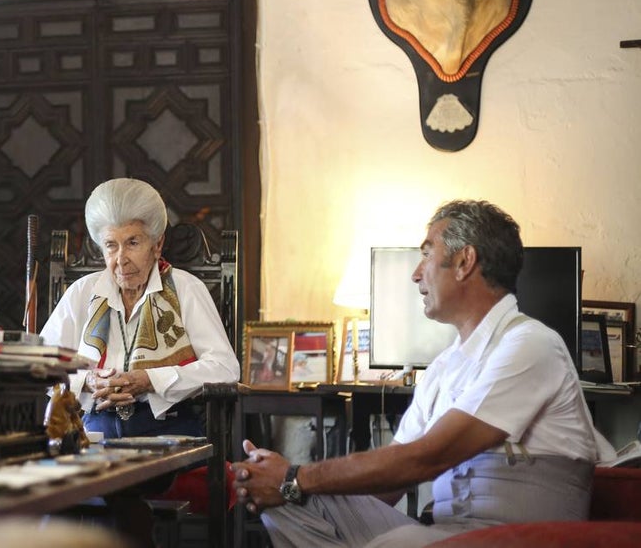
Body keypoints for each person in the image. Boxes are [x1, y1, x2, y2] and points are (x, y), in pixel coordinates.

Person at [231, 200, 615, 548]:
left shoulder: (532, 344)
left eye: (427, 254)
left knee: (393, 539)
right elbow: (391, 483)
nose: (416, 274)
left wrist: (296, 476)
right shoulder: (442, 369)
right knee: (283, 504)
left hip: (519, 538)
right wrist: (279, 483)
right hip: (443, 535)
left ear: (465, 262)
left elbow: (427, 458)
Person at [41, 177, 240, 437]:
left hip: (170, 433)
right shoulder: (82, 292)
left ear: (157, 245)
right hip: (95, 433)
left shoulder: (185, 289)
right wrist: (86, 381)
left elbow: (225, 369)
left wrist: (151, 380)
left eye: (133, 243)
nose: (121, 259)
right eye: (111, 245)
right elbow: (41, 366)